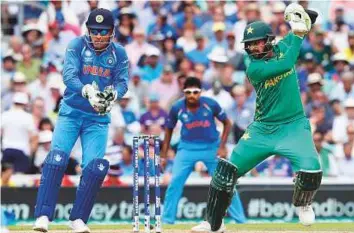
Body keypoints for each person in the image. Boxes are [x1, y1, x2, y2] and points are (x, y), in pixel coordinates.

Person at [192, 4, 322, 232]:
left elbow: (310, 19)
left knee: (312, 169)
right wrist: (299, 34)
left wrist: (297, 16)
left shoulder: (284, 45)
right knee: (226, 172)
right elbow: (287, 63)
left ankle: (303, 203)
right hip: (262, 129)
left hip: (293, 126)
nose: (252, 47)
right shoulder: (254, 67)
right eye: (249, 44)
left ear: (269, 40)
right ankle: (213, 223)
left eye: (257, 42)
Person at [32, 8, 129, 232]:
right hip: (71, 112)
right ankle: (43, 216)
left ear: (112, 31)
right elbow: (68, 76)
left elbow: (122, 82)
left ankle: (78, 219)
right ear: (88, 30)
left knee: (95, 168)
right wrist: (86, 90)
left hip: (98, 118)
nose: (98, 36)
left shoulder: (119, 53)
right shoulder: (76, 45)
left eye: (103, 32)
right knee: (56, 159)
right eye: (94, 31)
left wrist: (114, 93)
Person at [161, 77, 246, 225]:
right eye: (188, 92)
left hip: (212, 148)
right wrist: (163, 154)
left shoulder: (210, 104)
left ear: (200, 92)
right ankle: (167, 221)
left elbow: (227, 123)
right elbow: (168, 129)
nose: (192, 95)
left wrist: (222, 146)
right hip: (187, 148)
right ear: (184, 92)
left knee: (226, 184)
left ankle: (240, 221)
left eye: (195, 92)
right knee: (175, 183)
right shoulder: (177, 107)